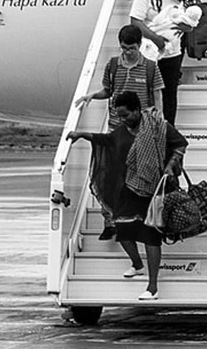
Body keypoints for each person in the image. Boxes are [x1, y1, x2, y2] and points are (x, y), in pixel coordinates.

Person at [66, 91, 187, 300]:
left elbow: (181, 144)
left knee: (151, 236)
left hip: (154, 189)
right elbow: (105, 141)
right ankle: (137, 264)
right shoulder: (121, 132)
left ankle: (153, 287)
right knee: (121, 229)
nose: (123, 120)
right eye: (120, 116)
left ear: (137, 110)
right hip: (127, 189)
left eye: (126, 115)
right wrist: (82, 135)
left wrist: (170, 165)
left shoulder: (159, 126)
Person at [128, 0, 195, 125]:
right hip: (150, 55)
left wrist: (187, 27)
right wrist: (156, 39)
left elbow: (189, 23)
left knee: (170, 94)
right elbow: (135, 21)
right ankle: (147, 130)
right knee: (148, 94)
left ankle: (168, 130)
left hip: (173, 53)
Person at [74, 25, 164, 129]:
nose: (128, 52)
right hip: (115, 125)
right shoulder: (112, 65)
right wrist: (93, 95)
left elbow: (157, 94)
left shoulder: (150, 67)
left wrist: (159, 117)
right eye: (124, 48)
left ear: (139, 44)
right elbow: (108, 91)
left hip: (141, 126)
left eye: (132, 48)